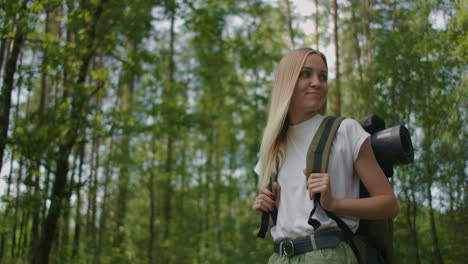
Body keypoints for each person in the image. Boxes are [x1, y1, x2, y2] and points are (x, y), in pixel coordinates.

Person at [252, 48, 399, 264]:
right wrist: (267, 210)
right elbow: (288, 221)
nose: (317, 83)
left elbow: (389, 205)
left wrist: (334, 203)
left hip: (328, 255)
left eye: (323, 76)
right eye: (306, 74)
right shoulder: (272, 149)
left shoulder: (345, 130)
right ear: (287, 81)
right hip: (279, 257)